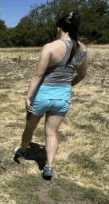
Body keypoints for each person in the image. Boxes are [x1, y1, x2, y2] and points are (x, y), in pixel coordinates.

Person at [14, 12, 88, 178]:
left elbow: (38, 75)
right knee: (52, 133)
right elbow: (82, 75)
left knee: (30, 127)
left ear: (59, 28)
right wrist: (68, 85)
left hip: (42, 96)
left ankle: (22, 152)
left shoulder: (50, 47)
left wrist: (28, 96)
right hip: (62, 98)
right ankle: (49, 166)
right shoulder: (82, 50)